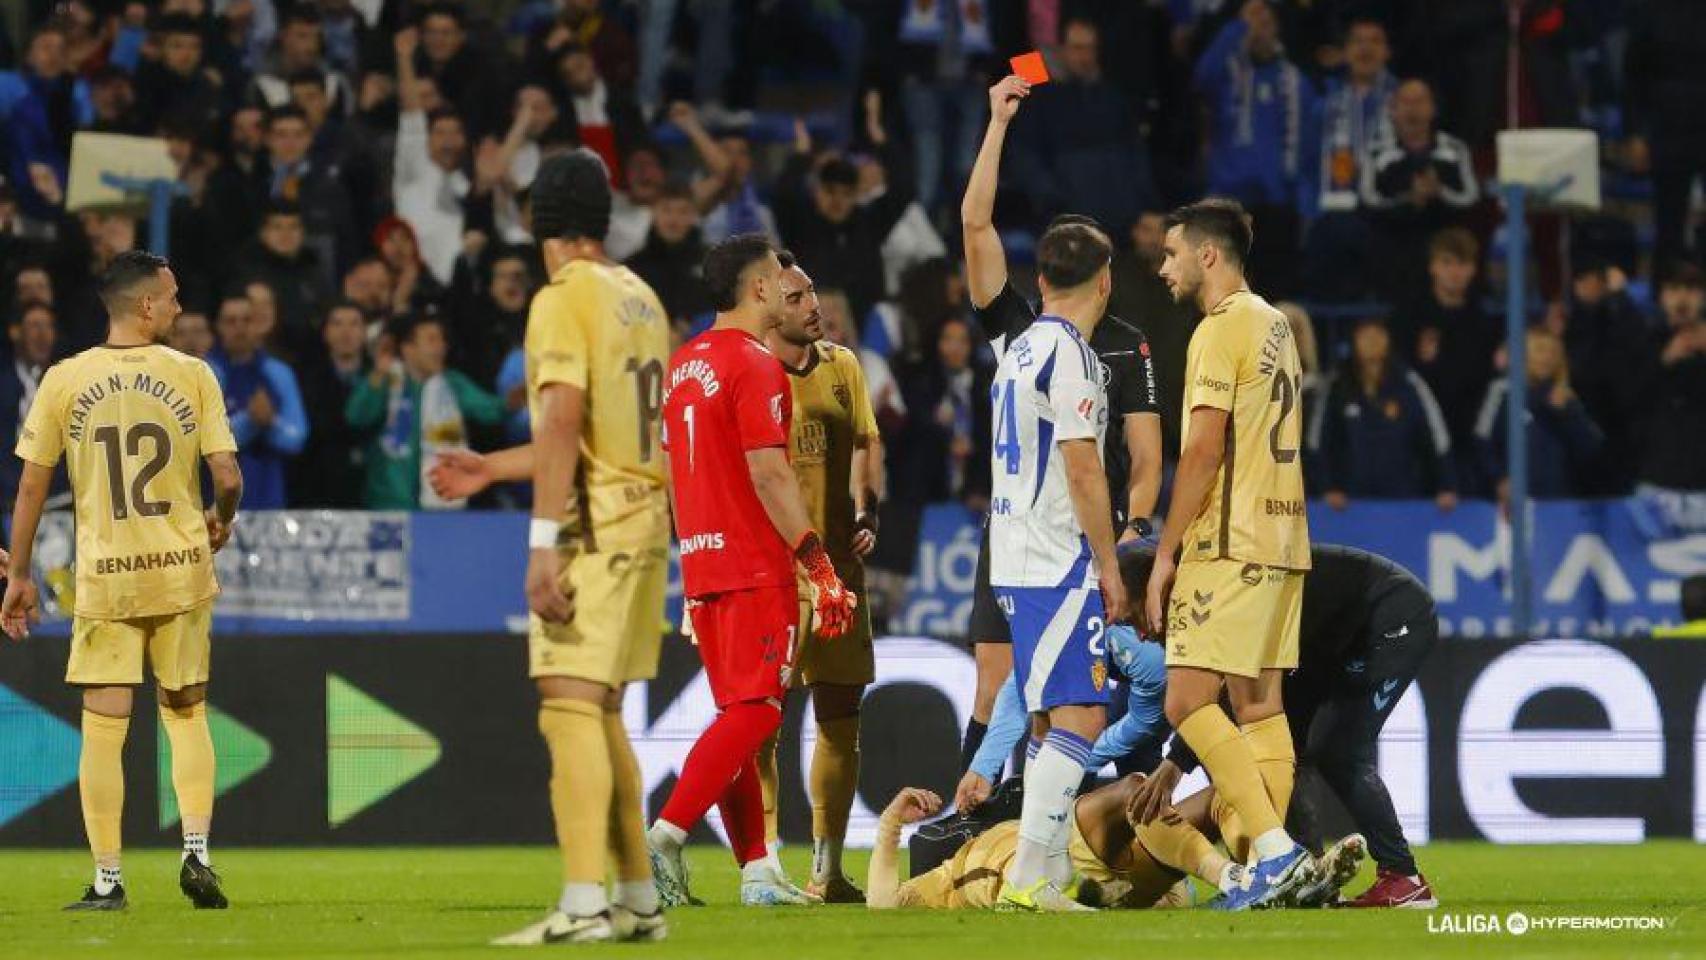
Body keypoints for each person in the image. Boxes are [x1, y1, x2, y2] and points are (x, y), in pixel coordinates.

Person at [428, 151, 672, 945]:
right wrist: (490, 467)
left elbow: (562, 420)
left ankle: (583, 904)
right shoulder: (640, 296)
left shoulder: (562, 297)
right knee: (599, 709)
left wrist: (539, 545)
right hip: (645, 517)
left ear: (539, 221)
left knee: (566, 703)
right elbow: (597, 432)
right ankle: (637, 900)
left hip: (594, 527)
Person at [2, 250, 243, 911]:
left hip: (107, 581)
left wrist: (19, 574)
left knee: (104, 731)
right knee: (186, 716)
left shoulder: (64, 379)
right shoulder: (193, 375)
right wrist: (220, 521)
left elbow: (29, 484)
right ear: (144, 306)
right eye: (171, 297)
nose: (179, 306)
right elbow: (227, 477)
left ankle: (108, 881)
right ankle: (196, 853)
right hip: (181, 574)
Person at [644, 234, 858, 908]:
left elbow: (672, 468)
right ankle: (663, 838)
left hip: (703, 563)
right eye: (775, 276)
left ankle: (758, 871)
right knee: (759, 713)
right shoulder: (755, 365)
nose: (784, 283)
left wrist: (690, 552)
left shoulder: (682, 365)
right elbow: (770, 474)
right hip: (753, 563)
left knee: (736, 714)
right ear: (757, 289)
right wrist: (819, 565)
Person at [959, 75, 1163, 780]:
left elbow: (1144, 455)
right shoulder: (1029, 330)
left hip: (1091, 530)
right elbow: (976, 228)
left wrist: (1135, 527)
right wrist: (998, 126)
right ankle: (975, 830)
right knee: (1010, 687)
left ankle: (1042, 835)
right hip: (1035, 532)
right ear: (1104, 278)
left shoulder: (1122, 344)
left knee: (1069, 696)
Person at [1146, 197, 1315, 910]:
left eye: (1172, 253)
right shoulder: (1276, 321)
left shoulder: (1218, 330)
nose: (1164, 268)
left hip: (1231, 539)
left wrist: (1167, 549)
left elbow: (1204, 447)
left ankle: (1274, 853)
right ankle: (1273, 859)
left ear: (1207, 256)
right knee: (1257, 703)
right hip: (1285, 537)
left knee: (1187, 698)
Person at [1122, 543, 1440, 909]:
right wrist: (1176, 761)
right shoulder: (1211, 591)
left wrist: (1175, 762)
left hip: (1391, 621)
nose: (1141, 634)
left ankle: (1404, 878)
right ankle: (1309, 874)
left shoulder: (1216, 597)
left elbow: (1225, 698)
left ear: (1156, 589)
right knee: (1292, 750)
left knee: (1339, 753)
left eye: (1134, 619)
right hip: (1334, 638)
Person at [985, 217, 1128, 912]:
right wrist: (1108, 563)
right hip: (1055, 557)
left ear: (1040, 280)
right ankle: (1027, 877)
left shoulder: (1018, 348)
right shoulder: (1069, 354)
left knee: (1049, 720)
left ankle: (1045, 869)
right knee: (1082, 719)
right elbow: (1082, 467)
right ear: (1105, 280)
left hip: (1013, 553)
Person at [753, 251, 884, 903]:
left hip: (836, 569)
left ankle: (827, 866)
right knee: (758, 723)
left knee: (840, 715)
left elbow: (867, 440)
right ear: (769, 305)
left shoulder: (843, 367)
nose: (815, 306)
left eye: (814, 295)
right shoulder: (748, 370)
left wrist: (869, 506)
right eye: (799, 297)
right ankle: (765, 857)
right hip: (768, 570)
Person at [345, 314, 507, 510]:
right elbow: (357, 416)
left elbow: (492, 410)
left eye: (442, 340)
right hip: (389, 503)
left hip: (442, 504)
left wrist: (520, 397)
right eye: (431, 340)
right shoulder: (385, 380)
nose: (441, 347)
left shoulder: (453, 382)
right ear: (408, 348)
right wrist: (378, 375)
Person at [1310, 316, 1457, 509]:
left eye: (1378, 334)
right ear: (1354, 341)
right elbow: (1318, 442)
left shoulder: (1409, 384)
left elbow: (1436, 437)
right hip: (1348, 503)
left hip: (1403, 501)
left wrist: (1446, 485)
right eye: (1365, 335)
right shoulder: (1336, 386)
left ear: (1388, 340)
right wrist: (1326, 487)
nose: (1372, 341)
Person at [1474, 328, 1605, 502]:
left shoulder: (1566, 397)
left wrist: (1567, 414)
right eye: (1540, 350)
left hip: (1559, 501)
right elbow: (1482, 440)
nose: (1547, 358)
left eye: (1553, 352)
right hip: (1512, 502)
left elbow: (1591, 448)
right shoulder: (1502, 391)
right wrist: (1499, 479)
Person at [207, 294, 308, 510]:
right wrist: (250, 420)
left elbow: (297, 437)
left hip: (269, 498)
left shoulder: (279, 373)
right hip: (213, 501)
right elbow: (200, 442)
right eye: (231, 321)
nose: (240, 328)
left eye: (247, 320)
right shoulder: (204, 374)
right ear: (218, 327)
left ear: (258, 325)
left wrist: (271, 422)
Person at [290, 301, 369, 509]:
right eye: (338, 324)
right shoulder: (304, 378)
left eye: (354, 324)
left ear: (365, 333)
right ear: (325, 333)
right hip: (318, 487)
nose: (346, 332)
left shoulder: (380, 377)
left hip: (368, 487)